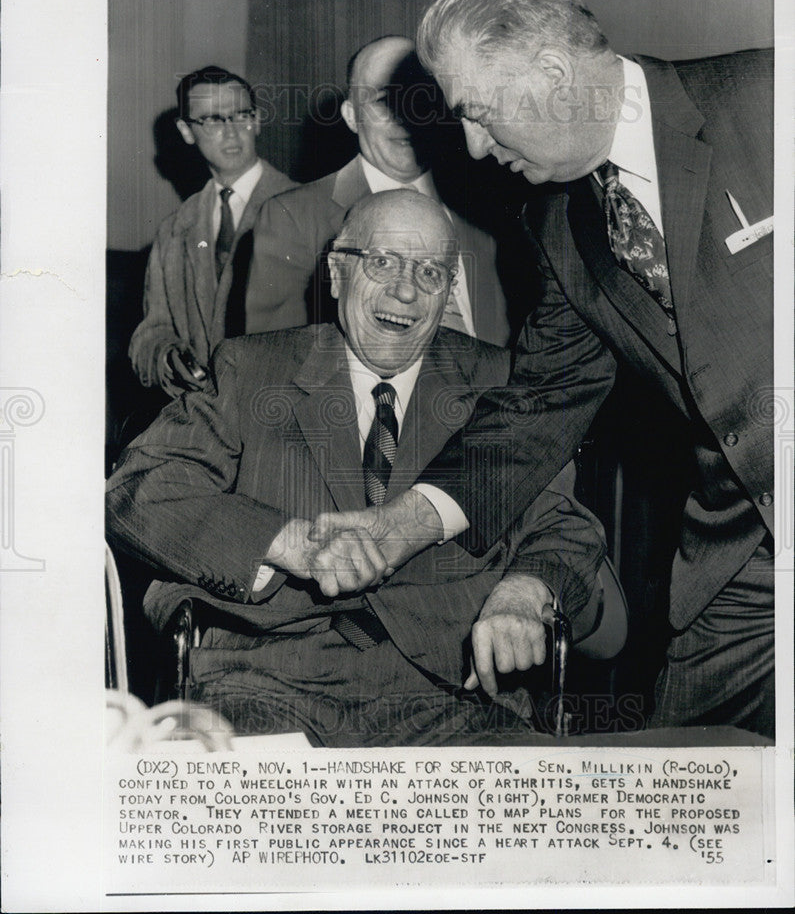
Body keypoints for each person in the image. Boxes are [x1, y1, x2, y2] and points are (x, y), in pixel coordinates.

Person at [308, 0, 775, 739]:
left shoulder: (766, 98)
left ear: (554, 73)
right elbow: (537, 406)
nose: (472, 146)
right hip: (743, 557)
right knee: (686, 790)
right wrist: (400, 526)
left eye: (480, 113)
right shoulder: (559, 223)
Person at [106, 189, 606, 746]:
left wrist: (524, 590)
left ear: (448, 294)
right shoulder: (249, 369)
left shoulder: (501, 386)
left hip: (450, 692)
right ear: (336, 274)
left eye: (430, 272)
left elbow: (565, 527)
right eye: (383, 262)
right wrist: (290, 543)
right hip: (265, 679)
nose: (405, 290)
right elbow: (138, 490)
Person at [244, 35, 511, 346]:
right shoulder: (292, 216)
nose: (407, 118)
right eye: (385, 101)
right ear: (352, 116)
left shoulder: (481, 209)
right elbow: (274, 356)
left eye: (421, 100)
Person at [129, 65, 295, 398]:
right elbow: (149, 335)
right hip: (202, 420)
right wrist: (168, 358)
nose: (232, 132)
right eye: (213, 120)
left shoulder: (306, 210)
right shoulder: (173, 230)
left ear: (257, 119)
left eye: (241, 115)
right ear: (186, 131)